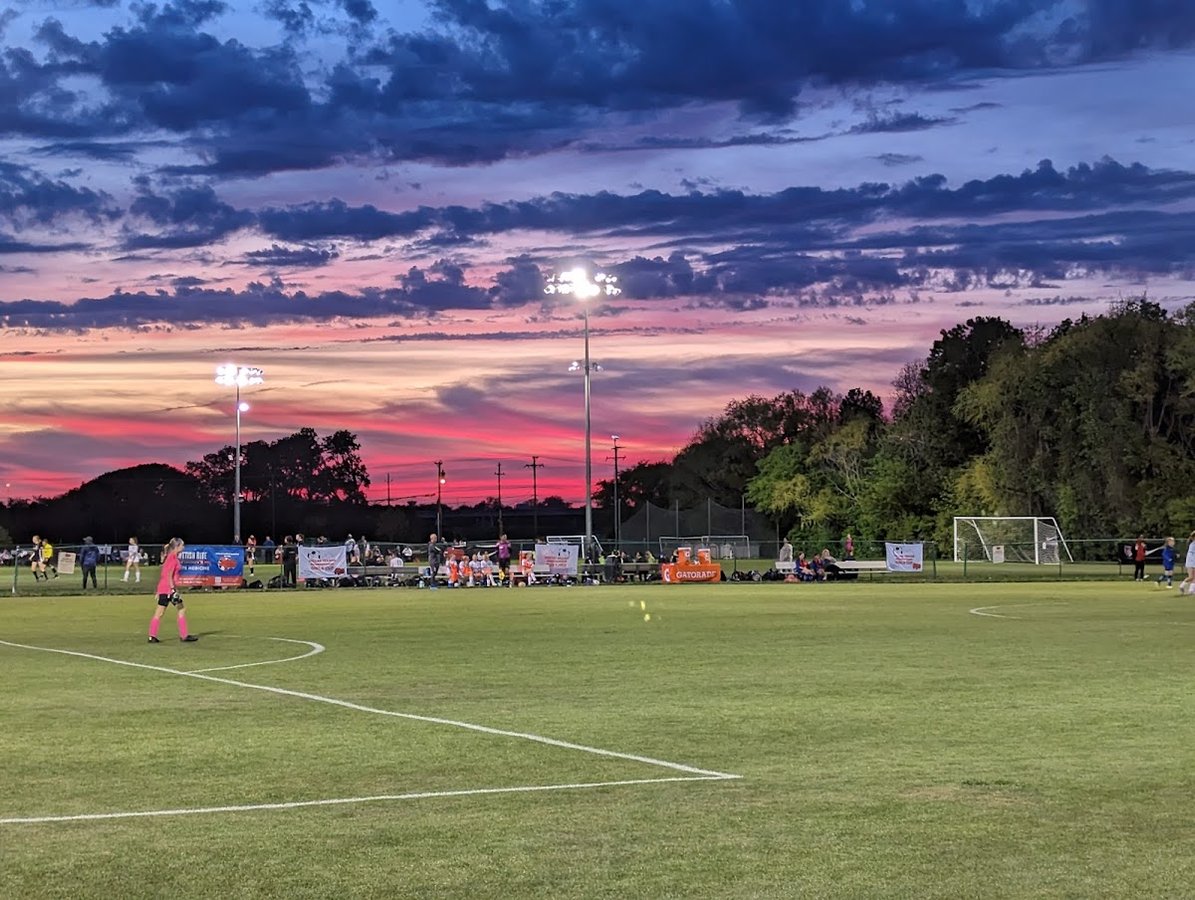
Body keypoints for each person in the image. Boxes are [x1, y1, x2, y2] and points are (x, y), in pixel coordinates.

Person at [148, 537, 198, 643]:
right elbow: (168, 575)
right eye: (182, 545)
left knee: (160, 613)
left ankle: (152, 636)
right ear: (177, 546)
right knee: (180, 609)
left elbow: (164, 575)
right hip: (168, 589)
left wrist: (159, 591)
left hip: (164, 589)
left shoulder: (171, 557)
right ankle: (184, 635)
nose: (183, 547)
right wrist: (173, 590)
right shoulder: (172, 558)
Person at [1179, 531, 1195, 596]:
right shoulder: (1193, 544)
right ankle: (1182, 586)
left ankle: (1191, 590)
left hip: (1189, 562)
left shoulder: (1191, 544)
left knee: (1192, 577)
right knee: (1191, 577)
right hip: (1192, 562)